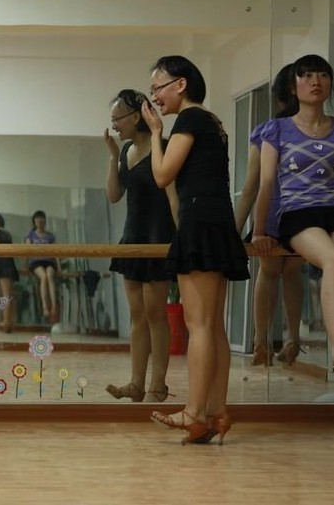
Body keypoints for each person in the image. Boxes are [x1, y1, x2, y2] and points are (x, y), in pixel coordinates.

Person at [142, 55, 249, 445]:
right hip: (216, 221)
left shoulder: (189, 119)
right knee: (213, 325)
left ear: (181, 84)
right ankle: (215, 413)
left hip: (200, 222)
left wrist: (155, 134)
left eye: (158, 87)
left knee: (199, 325)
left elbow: (162, 174)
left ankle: (195, 411)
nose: (155, 97)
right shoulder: (213, 121)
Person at [254, 54, 334, 376]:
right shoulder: (277, 129)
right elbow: (266, 184)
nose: (316, 81)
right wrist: (259, 230)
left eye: (323, 75)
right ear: (294, 85)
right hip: (299, 213)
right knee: (332, 260)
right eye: (307, 75)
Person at [104, 89, 178, 403]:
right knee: (137, 315)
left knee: (155, 313)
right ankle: (136, 383)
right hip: (132, 237)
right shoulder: (125, 152)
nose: (114, 126)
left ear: (135, 116)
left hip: (158, 236)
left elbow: (173, 194)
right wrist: (111, 156)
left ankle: (157, 386)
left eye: (117, 119)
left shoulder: (164, 146)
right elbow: (113, 195)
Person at [234, 65, 305, 366]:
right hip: (302, 213)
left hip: (274, 211)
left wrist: (235, 230)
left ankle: (260, 340)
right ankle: (292, 339)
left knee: (269, 271)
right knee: (291, 273)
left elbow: (251, 185)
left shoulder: (267, 131)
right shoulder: (313, 130)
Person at [23, 210, 59, 324]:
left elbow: (56, 252)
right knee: (43, 276)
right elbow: (26, 251)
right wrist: (25, 265)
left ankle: (53, 306)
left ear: (45, 221)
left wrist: (59, 267)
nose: (40, 221)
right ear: (34, 221)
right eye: (37, 219)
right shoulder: (31, 235)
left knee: (49, 276)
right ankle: (44, 307)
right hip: (36, 262)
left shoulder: (50, 236)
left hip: (49, 261)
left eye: (42, 218)